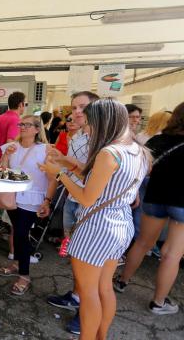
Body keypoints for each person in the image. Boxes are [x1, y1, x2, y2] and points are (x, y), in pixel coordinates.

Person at [40, 99, 149, 339]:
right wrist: (67, 163)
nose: (85, 128)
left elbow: (86, 197)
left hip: (96, 227)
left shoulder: (107, 153)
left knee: (88, 293)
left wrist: (57, 173)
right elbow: (101, 180)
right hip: (120, 224)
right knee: (103, 288)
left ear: (102, 122)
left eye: (88, 122)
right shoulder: (136, 150)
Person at [113, 102, 184, 315]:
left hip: (154, 197)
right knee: (172, 254)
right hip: (181, 202)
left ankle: (122, 281)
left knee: (143, 242)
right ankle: (158, 302)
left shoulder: (157, 140)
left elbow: (144, 170)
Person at [44, 90, 99, 335]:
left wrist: (58, 171)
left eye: (83, 107)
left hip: (91, 206)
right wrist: (62, 159)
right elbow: (79, 168)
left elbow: (90, 177)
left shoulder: (102, 140)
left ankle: (84, 314)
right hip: (73, 199)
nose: (77, 111)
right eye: (74, 107)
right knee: (76, 255)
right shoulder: (76, 136)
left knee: (89, 263)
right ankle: (76, 296)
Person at [0, 115, 56, 295]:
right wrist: (6, 156)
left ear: (37, 129)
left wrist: (48, 200)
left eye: (27, 125)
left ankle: (24, 275)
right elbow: (1, 171)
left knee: (22, 234)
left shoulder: (45, 149)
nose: (22, 127)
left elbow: (53, 179)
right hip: (13, 197)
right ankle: (17, 264)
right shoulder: (11, 147)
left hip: (32, 199)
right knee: (17, 232)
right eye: (21, 124)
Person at [0, 91, 26, 253]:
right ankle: (11, 235)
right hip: (9, 165)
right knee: (10, 201)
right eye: (25, 104)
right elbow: (12, 143)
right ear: (20, 105)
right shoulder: (16, 120)